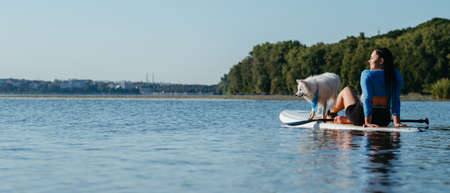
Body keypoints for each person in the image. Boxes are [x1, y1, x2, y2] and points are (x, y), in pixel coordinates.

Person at [326, 48, 407, 128]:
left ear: (381, 61)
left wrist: (367, 122)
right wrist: (397, 122)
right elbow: (395, 99)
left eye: (371, 58)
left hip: (360, 116)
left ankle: (330, 115)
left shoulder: (367, 74)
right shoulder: (396, 74)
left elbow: (367, 99)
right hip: (384, 119)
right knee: (357, 100)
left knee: (346, 90)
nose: (369, 61)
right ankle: (347, 120)